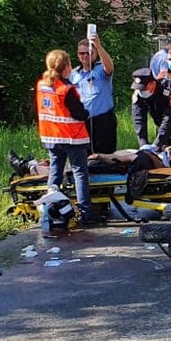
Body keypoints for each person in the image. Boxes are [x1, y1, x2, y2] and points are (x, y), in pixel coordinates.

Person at [37, 49, 102, 225]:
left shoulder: (42, 85)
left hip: (51, 137)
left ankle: (50, 209)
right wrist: (87, 112)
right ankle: (86, 212)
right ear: (66, 67)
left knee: (55, 172)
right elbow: (79, 114)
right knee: (80, 173)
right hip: (71, 137)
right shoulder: (66, 90)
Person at [69, 31, 116, 154]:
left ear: (95, 53)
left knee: (106, 157)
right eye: (82, 53)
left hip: (103, 121)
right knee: (85, 156)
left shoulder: (100, 70)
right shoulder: (74, 74)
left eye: (89, 53)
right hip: (83, 122)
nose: (85, 56)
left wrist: (98, 46)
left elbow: (109, 67)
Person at [130, 67, 171, 150]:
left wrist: (157, 144)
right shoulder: (138, 94)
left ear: (153, 83)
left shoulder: (169, 91)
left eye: (144, 88)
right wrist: (143, 143)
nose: (142, 91)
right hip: (161, 123)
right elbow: (139, 119)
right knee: (160, 153)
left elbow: (170, 119)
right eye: (140, 89)